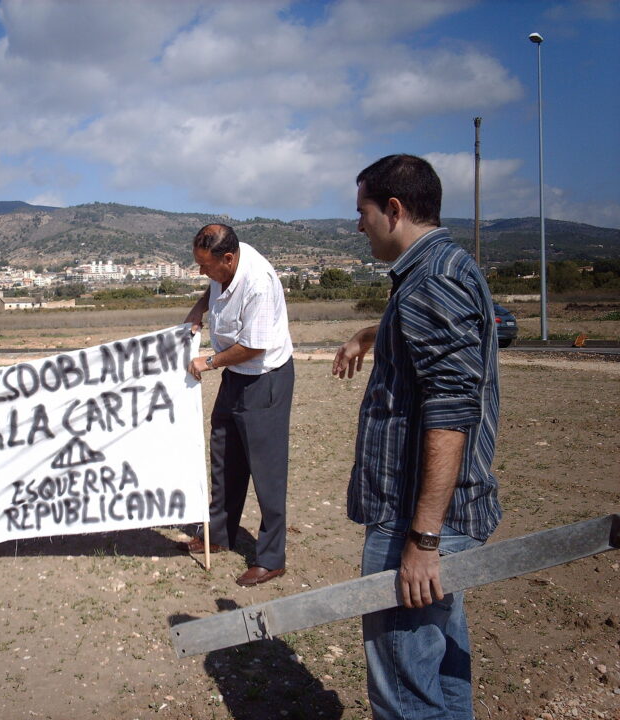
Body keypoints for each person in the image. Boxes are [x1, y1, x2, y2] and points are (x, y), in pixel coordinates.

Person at [333, 155, 501, 719]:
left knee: (405, 688)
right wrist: (371, 333)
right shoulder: (445, 269)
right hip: (434, 518)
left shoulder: (431, 281)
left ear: (395, 210)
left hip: (418, 519)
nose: (359, 226)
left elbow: (450, 412)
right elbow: (462, 330)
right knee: (441, 671)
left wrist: (423, 542)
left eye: (363, 212)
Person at [181, 223, 295, 587]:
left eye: (206, 266)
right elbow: (211, 286)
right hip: (236, 374)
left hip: (264, 377)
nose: (202, 272)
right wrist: (200, 307)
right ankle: (219, 533)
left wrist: (209, 362)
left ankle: (271, 557)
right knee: (224, 454)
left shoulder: (257, 281)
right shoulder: (223, 261)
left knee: (267, 470)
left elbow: (254, 346)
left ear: (228, 259)